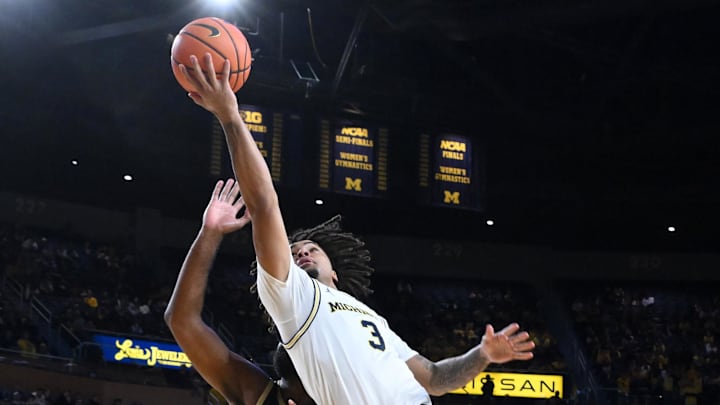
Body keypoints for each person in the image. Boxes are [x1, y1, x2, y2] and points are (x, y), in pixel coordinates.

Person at [179, 53, 536, 404]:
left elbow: (437, 379)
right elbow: (264, 204)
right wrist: (230, 117)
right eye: (293, 249)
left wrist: (483, 355)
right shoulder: (294, 297)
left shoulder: (372, 319)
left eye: (312, 248)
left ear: (335, 271)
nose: (301, 250)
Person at [164, 179, 314, 405]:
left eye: (313, 251)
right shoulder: (259, 393)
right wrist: (210, 233)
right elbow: (182, 321)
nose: (302, 254)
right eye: (294, 254)